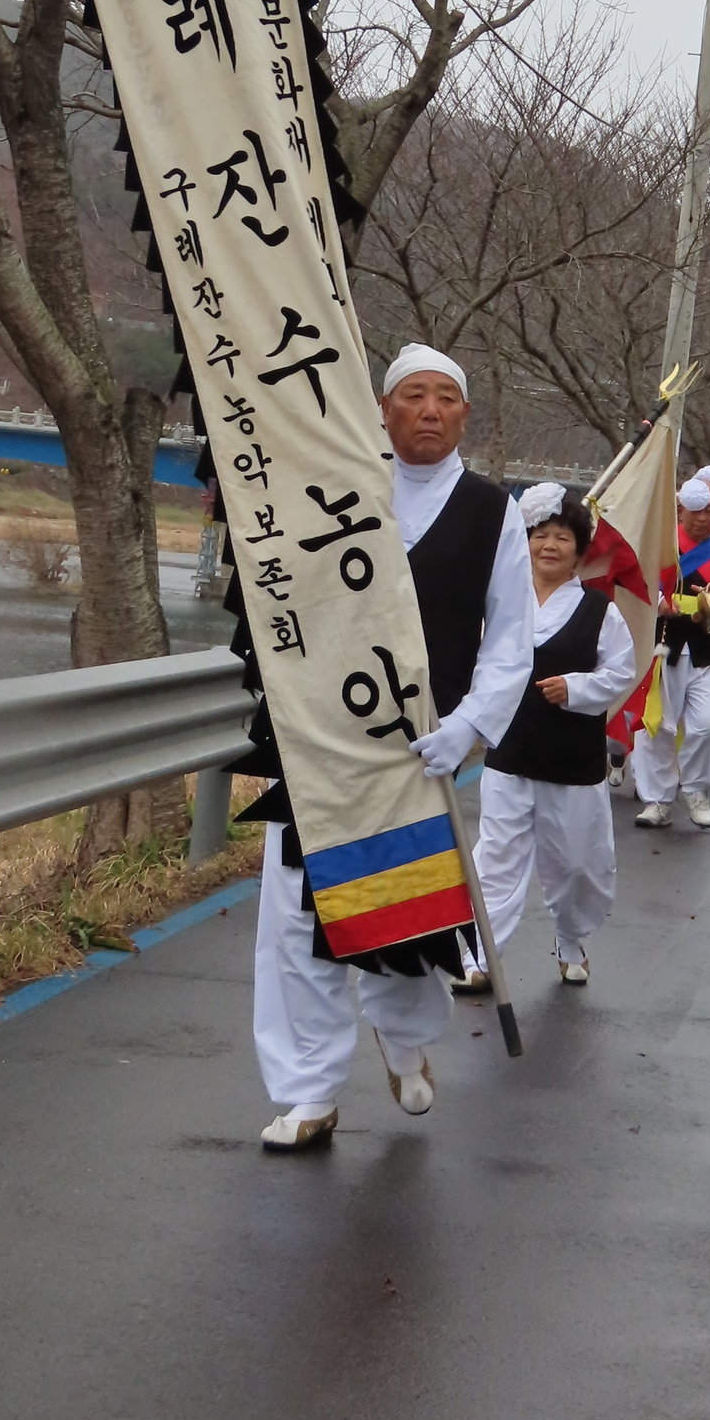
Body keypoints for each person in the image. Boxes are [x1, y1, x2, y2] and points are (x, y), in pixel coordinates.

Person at [252, 343, 534, 1149]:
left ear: (465, 415)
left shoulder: (491, 511)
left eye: (447, 398)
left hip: (424, 753)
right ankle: (308, 1092)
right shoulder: (336, 491)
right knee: (301, 918)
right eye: (414, 395)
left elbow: (512, 639)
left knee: (408, 917)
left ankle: (406, 1044)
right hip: (319, 748)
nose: (431, 411)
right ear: (383, 408)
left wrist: (472, 725)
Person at [455, 485, 636, 991]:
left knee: (577, 865)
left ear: (580, 552)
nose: (549, 545)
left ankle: (571, 937)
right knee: (495, 859)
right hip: (510, 753)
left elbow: (621, 672)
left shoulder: (601, 613)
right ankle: (480, 957)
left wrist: (576, 688)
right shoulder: (501, 605)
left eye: (561, 537)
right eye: (539, 535)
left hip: (572, 761)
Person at [633, 475, 710, 830]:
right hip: (664, 645)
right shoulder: (663, 544)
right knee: (657, 725)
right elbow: (641, 585)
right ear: (680, 510)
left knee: (706, 726)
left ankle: (696, 789)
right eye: (694, 513)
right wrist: (660, 604)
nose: (702, 519)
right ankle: (657, 799)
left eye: (708, 511)